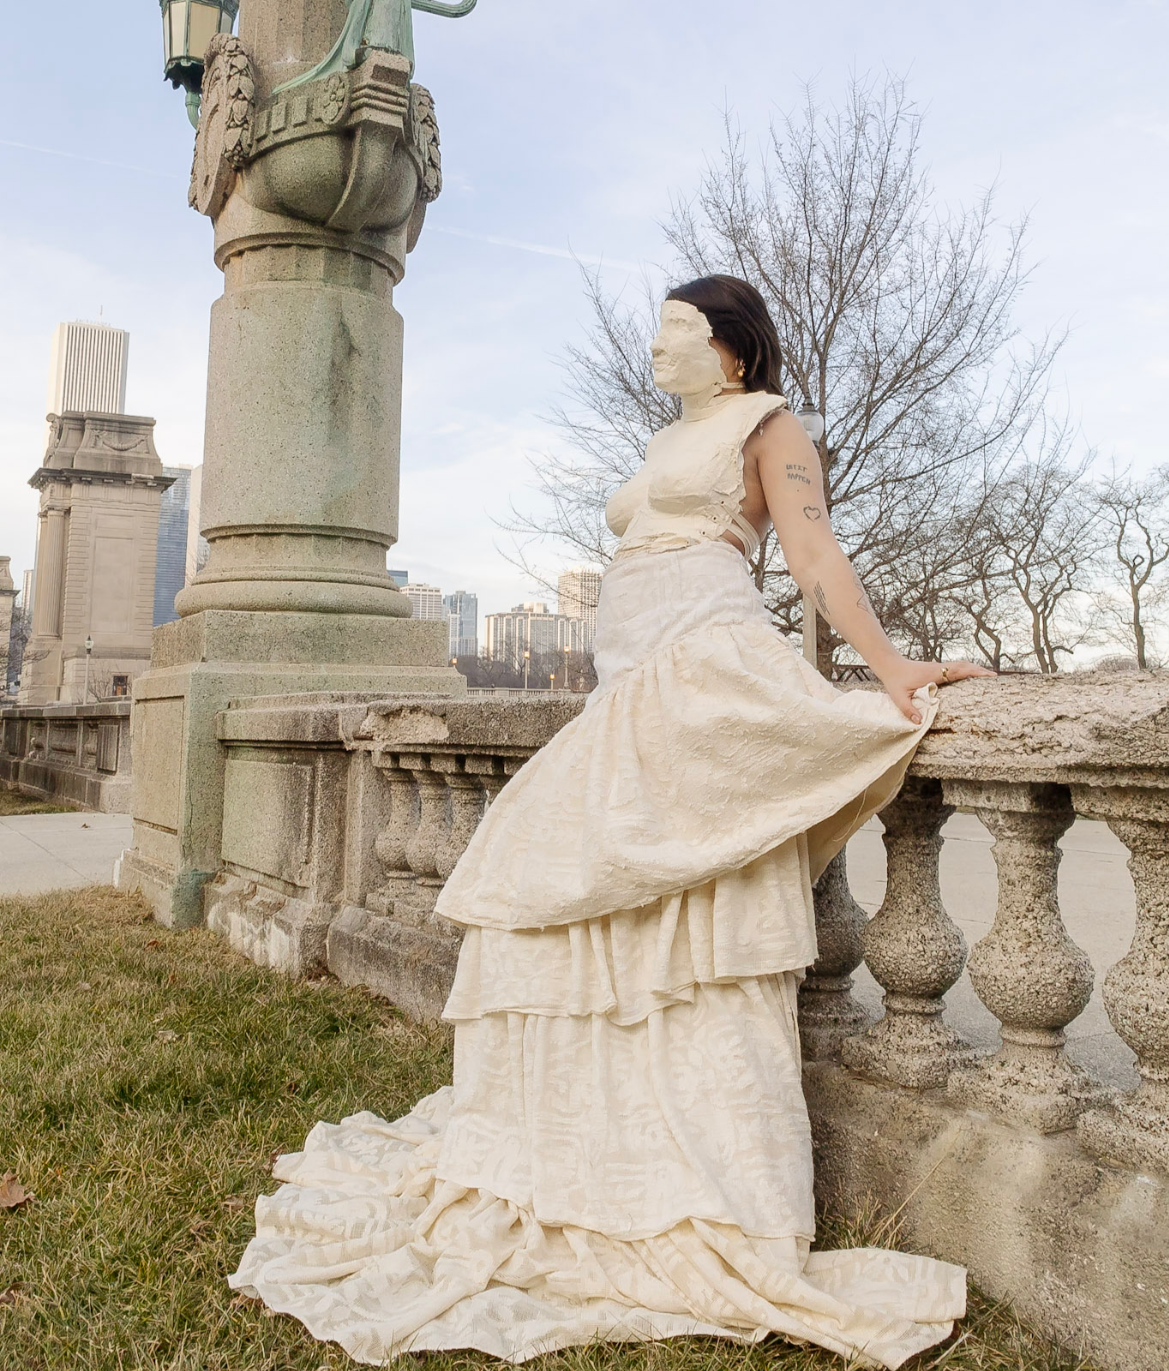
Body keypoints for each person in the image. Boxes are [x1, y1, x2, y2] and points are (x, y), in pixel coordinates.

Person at [230, 275, 992, 1367]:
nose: (652, 346)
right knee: (553, 898)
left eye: (675, 329)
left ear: (731, 348)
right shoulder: (661, 438)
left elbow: (814, 558)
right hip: (625, 693)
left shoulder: (768, 428)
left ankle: (704, 1182)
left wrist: (888, 664)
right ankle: (591, 1150)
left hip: (700, 670)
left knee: (689, 904)